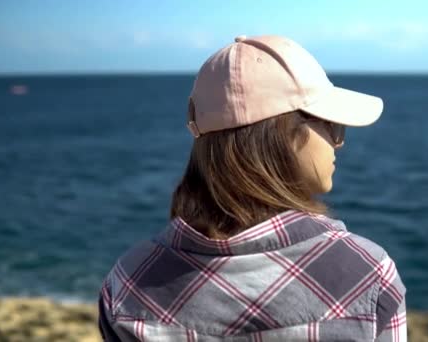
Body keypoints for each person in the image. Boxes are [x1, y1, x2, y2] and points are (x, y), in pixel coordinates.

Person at [98, 35, 406, 341]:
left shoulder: (126, 285)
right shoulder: (367, 276)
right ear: (285, 134)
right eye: (332, 125)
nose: (339, 143)